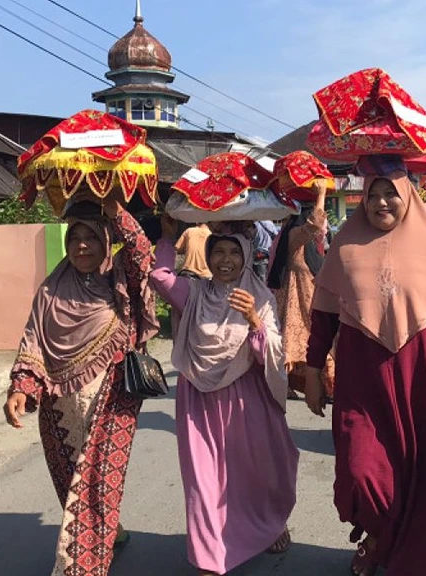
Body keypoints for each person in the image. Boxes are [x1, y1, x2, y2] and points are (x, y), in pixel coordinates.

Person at [304, 160, 426, 576]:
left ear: (408, 197)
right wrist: (312, 371)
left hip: (420, 377)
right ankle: (377, 534)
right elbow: (323, 315)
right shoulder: (345, 245)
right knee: (361, 471)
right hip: (361, 378)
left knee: (420, 474)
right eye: (373, 195)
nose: (380, 203)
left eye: (390, 194)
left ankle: (402, 558)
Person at [3, 197, 158, 576]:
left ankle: (81, 567)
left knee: (96, 481)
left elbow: (141, 254)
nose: (82, 246)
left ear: (106, 240)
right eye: (75, 238)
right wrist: (22, 387)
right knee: (70, 481)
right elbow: (33, 340)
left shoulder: (119, 280)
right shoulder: (51, 290)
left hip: (112, 398)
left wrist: (115, 212)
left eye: (91, 237)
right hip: (59, 404)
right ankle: (110, 533)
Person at [150, 219, 299, 576]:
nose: (226, 259)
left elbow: (272, 353)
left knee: (257, 473)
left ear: (246, 257)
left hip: (247, 399)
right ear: (208, 256)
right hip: (199, 402)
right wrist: (168, 236)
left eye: (234, 252)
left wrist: (253, 320)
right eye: (218, 251)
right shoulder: (193, 294)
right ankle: (209, 557)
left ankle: (270, 524)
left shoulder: (259, 297)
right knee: (203, 482)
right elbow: (159, 277)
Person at [267, 182, 335, 400]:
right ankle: (286, 383)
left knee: (315, 333)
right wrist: (321, 196)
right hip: (298, 291)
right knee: (302, 334)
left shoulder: (299, 238)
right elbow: (316, 224)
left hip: (308, 287)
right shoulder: (295, 233)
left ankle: (324, 383)